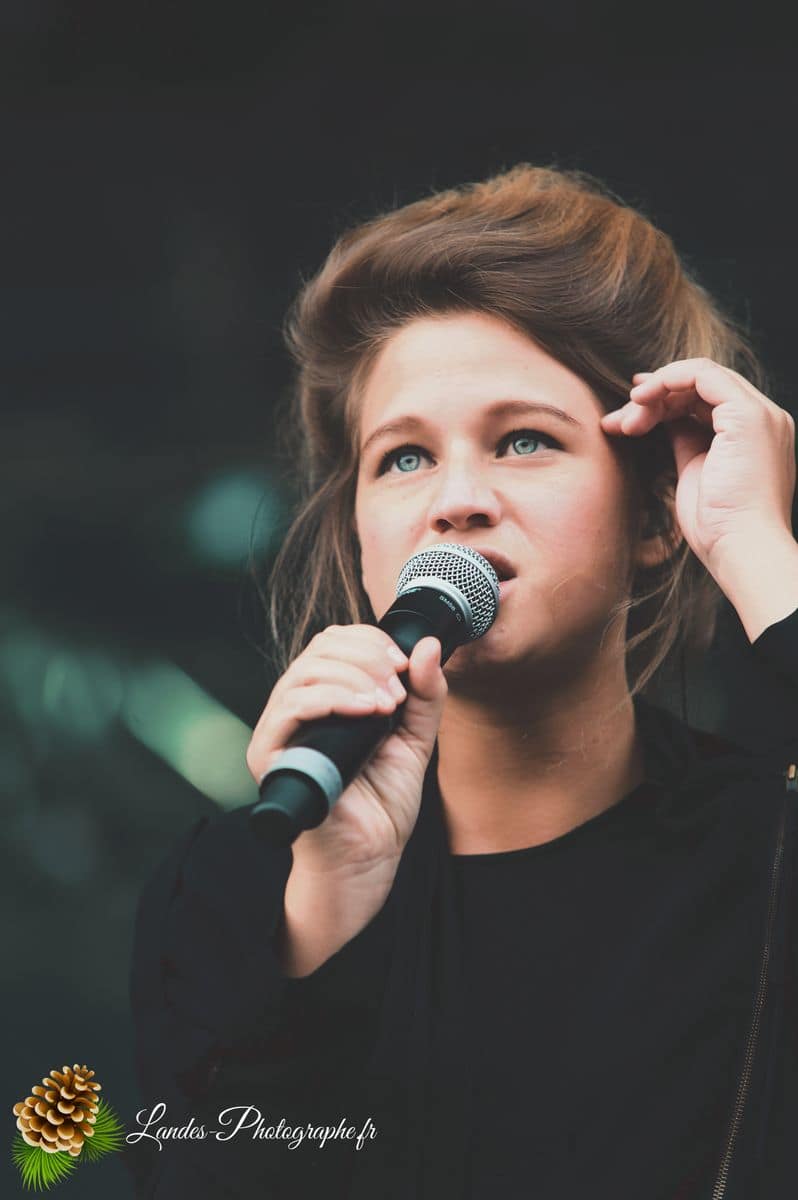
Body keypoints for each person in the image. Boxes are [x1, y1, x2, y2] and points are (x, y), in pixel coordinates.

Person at [127, 164, 798, 1199]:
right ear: (359, 544)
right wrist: (327, 914)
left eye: (524, 440)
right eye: (401, 459)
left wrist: (761, 553)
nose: (456, 500)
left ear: (659, 513)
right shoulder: (238, 885)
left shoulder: (762, 850)